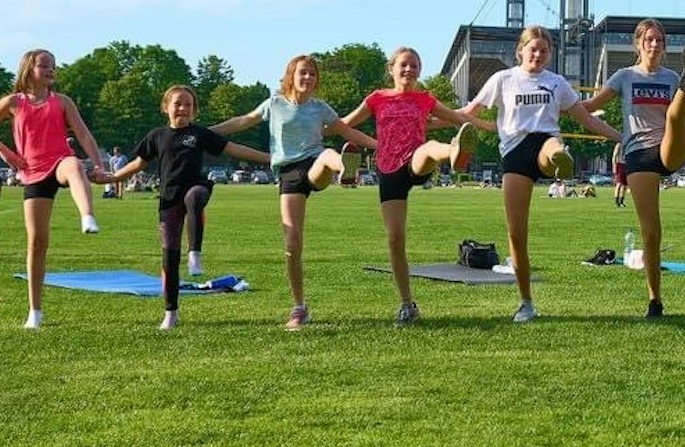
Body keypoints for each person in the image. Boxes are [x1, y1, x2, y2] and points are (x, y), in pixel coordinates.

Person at [461, 26, 623, 323]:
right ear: (520, 50)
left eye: (544, 51)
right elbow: (468, 112)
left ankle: (560, 160)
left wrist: (622, 138)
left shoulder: (556, 83)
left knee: (552, 147)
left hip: (545, 140)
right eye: (533, 49)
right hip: (514, 152)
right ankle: (526, 302)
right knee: (516, 232)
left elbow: (585, 118)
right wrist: (431, 120)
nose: (538, 55)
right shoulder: (503, 79)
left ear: (551, 54)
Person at [211, 54, 379, 329]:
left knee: (327, 153)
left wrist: (379, 146)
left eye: (312, 74)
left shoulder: (320, 108)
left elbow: (348, 132)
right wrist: (207, 132)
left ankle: (346, 171)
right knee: (292, 245)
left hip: (314, 163)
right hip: (288, 173)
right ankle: (299, 307)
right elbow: (243, 121)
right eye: (303, 73)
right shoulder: (274, 104)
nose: (308, 78)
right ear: (291, 75)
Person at [343, 46, 499, 326]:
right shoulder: (376, 98)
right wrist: (321, 127)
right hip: (388, 170)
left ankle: (453, 152)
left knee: (426, 148)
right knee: (394, 240)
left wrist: (494, 127)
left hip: (416, 162)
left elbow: (459, 117)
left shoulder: (424, 99)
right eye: (404, 65)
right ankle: (407, 305)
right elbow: (344, 124)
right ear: (391, 69)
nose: (409, 70)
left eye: (414, 66)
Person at [106, 86, 272, 329]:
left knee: (194, 197)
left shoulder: (200, 134)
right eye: (178, 104)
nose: (183, 108)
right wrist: (111, 178)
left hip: (196, 187)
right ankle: (170, 312)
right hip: (168, 200)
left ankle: (195, 253)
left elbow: (234, 149)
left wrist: (270, 158)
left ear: (194, 111)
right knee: (169, 258)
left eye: (188, 105)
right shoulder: (157, 136)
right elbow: (138, 164)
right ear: (166, 107)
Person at [0, 49, 112, 329]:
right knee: (37, 242)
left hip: (58, 161)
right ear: (28, 69)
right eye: (44, 66)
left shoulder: (62, 102)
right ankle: (35, 311)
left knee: (74, 165)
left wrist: (98, 164)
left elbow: (83, 134)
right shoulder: (13, 102)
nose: (50, 71)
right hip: (32, 172)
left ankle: (88, 216)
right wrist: (4, 152)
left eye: (53, 67)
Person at [580, 18, 685, 317]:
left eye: (659, 40)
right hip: (639, 153)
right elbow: (589, 106)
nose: (654, 44)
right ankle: (655, 298)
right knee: (652, 232)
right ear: (639, 43)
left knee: (676, 117)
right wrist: (559, 101)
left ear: (665, 47)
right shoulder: (625, 76)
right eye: (649, 39)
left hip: (668, 147)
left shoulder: (669, 78)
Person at [611, 142, 628, 209]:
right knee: (619, 183)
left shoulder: (627, 144)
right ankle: (617, 200)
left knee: (625, 185)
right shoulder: (619, 144)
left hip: (626, 164)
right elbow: (614, 156)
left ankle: (621, 201)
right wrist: (614, 166)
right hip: (620, 164)